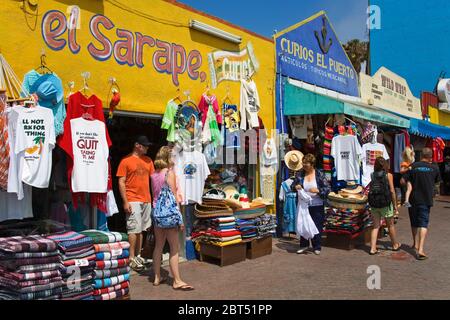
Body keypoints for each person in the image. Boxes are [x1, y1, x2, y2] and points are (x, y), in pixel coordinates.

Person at [150, 146, 194, 291]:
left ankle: (157, 277)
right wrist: (180, 218)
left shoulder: (153, 175)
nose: (175, 159)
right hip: (169, 215)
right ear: (168, 158)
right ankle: (177, 280)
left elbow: (155, 196)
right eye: (173, 156)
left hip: (157, 214)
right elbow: (173, 197)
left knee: (158, 246)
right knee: (174, 248)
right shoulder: (170, 173)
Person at [117, 136, 155, 271]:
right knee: (134, 229)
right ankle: (132, 257)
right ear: (137, 145)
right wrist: (125, 201)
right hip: (132, 199)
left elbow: (154, 180)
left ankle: (139, 256)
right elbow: (121, 181)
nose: (147, 148)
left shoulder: (148, 160)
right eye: (145, 146)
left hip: (146, 199)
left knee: (143, 229)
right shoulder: (125, 161)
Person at [404, 148, 441, 260]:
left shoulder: (413, 166)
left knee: (414, 222)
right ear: (430, 157)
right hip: (426, 199)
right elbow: (436, 182)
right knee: (423, 223)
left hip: (413, 199)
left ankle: (415, 243)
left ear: (421, 156)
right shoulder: (435, 168)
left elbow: (404, 180)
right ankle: (420, 249)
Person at [292, 154, 331, 255]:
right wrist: (296, 186)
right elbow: (292, 186)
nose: (304, 166)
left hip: (317, 204)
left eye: (306, 164)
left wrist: (318, 191)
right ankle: (304, 245)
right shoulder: (300, 174)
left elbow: (327, 189)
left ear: (312, 164)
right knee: (304, 224)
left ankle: (316, 246)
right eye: (303, 164)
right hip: (304, 205)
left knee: (316, 225)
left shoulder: (319, 174)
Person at [368, 157, 401, 255]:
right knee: (390, 225)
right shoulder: (388, 175)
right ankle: (395, 244)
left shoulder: (372, 175)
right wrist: (395, 205)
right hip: (386, 204)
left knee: (375, 226)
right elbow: (392, 191)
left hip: (374, 204)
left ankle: (372, 248)